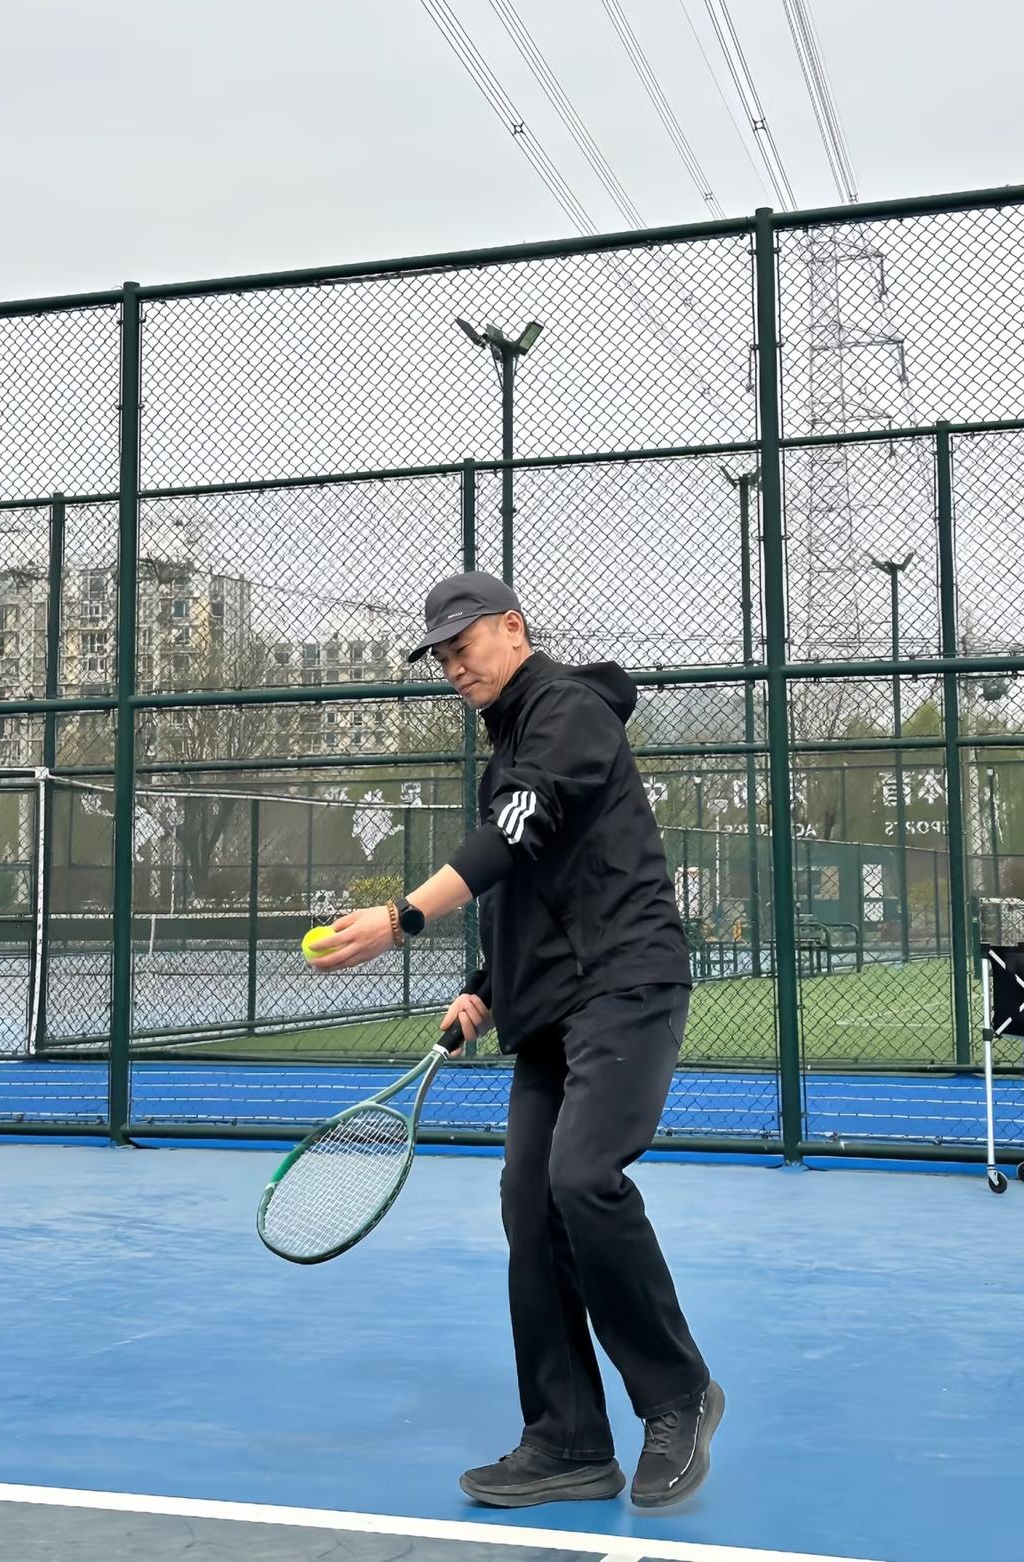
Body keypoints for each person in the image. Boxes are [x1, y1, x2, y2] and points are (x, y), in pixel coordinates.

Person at [310, 571, 722, 1511]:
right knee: (528, 1207)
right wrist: (487, 991)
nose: (455, 667)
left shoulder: (570, 709)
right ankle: (568, 1440)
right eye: (442, 657)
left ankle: (679, 1394)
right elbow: (530, 883)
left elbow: (511, 835)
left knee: (583, 1178)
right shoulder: (509, 747)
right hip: (550, 1007)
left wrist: (401, 917)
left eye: (465, 646)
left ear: (513, 628)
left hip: (626, 981)